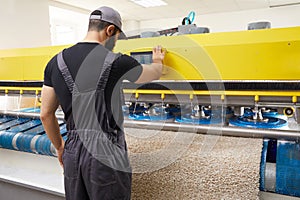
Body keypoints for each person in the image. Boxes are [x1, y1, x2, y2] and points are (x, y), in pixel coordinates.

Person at [40, 6, 165, 200]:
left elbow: (45, 114)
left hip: (72, 151)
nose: (115, 44)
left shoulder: (55, 62)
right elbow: (152, 73)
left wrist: (60, 147)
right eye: (115, 38)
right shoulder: (117, 61)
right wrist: (158, 61)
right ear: (109, 30)